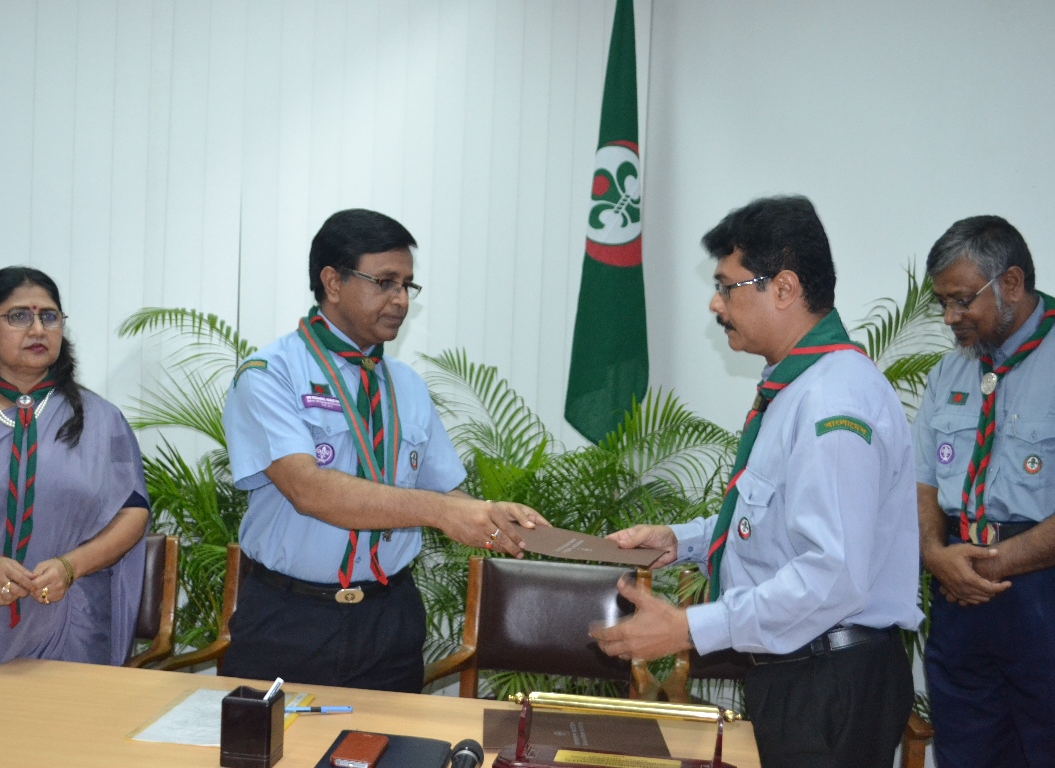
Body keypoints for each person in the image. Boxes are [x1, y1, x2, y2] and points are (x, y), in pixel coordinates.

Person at [590, 196, 921, 767]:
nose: (715, 304)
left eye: (728, 286)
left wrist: (690, 628)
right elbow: (776, 519)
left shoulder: (832, 401)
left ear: (784, 288)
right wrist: (682, 541)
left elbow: (833, 574)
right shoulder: (796, 387)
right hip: (804, 670)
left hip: (829, 681)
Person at [221, 208, 545, 693]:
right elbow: (309, 490)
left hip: (390, 617)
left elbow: (442, 492)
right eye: (386, 282)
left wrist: (490, 514)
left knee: (391, 739)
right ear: (333, 282)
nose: (401, 300)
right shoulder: (270, 374)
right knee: (271, 739)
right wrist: (442, 512)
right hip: (290, 618)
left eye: (407, 285)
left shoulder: (407, 386)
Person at [0, 267, 149, 697]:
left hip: (70, 623)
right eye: (19, 316)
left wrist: (72, 566)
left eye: (49, 316)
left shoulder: (100, 420)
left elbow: (132, 512)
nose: (37, 329)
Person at [914, 215, 1055, 767]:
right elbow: (922, 481)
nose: (950, 317)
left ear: (1011, 283)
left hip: (1038, 589)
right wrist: (934, 554)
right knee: (966, 753)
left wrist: (992, 565)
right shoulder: (948, 374)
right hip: (959, 591)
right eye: (942, 303)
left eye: (961, 300)